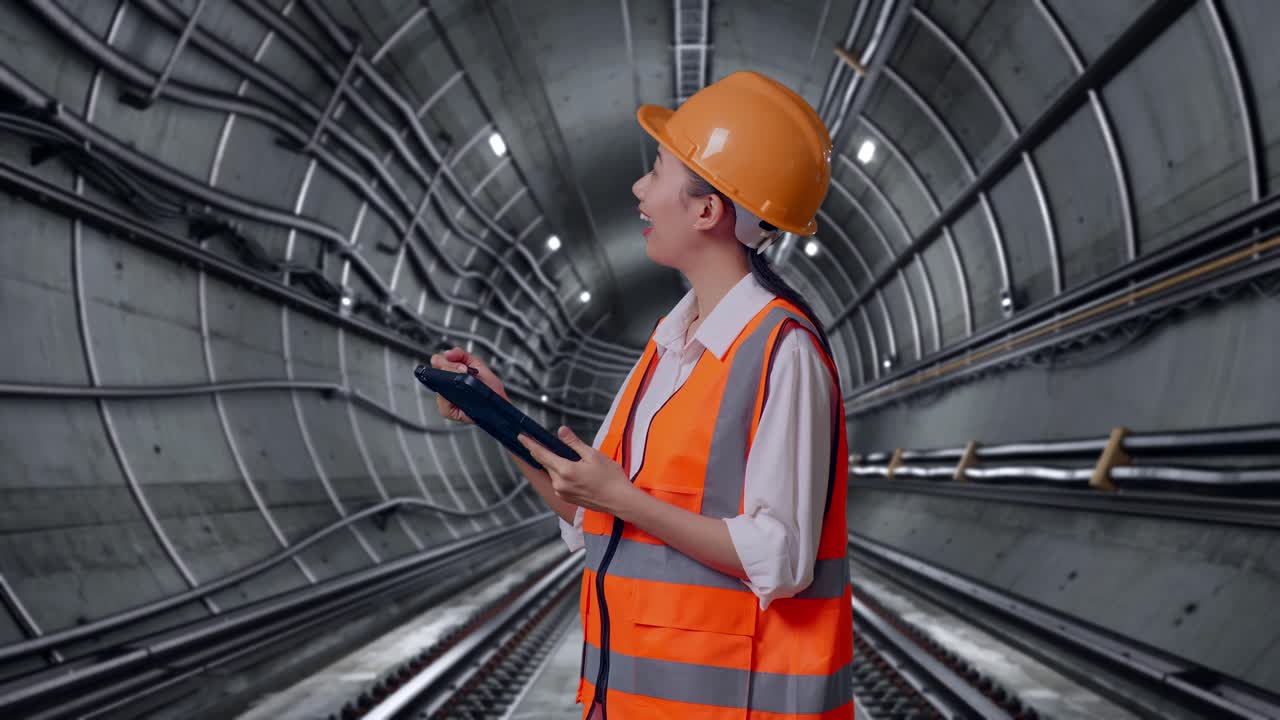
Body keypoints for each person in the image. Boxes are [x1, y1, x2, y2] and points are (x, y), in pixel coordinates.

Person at [430, 70, 851, 720]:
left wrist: (620, 496)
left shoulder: (782, 352)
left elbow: (781, 558)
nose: (639, 188)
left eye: (656, 170)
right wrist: (493, 413)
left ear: (708, 210)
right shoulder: (669, 348)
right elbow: (590, 515)